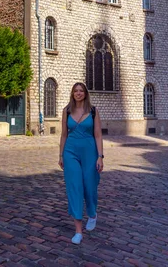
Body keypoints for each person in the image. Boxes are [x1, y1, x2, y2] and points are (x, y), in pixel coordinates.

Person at [58, 82, 104, 245]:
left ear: (85, 93)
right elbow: (64, 135)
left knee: (90, 186)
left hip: (90, 152)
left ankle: (92, 213)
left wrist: (100, 156)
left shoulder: (93, 111)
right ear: (72, 93)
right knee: (75, 187)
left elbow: (98, 135)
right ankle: (78, 230)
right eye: (76, 91)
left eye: (81, 91)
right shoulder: (66, 111)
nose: (78, 93)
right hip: (70, 152)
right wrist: (61, 154)